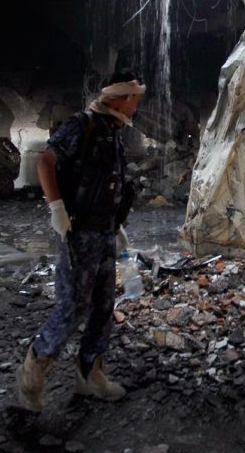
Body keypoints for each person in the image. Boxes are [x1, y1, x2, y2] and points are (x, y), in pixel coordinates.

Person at [16, 70, 145, 413]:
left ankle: (91, 376)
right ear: (120, 97)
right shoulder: (82, 125)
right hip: (78, 231)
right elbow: (46, 161)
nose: (137, 105)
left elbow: (108, 182)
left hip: (103, 232)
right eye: (135, 98)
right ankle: (32, 375)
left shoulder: (112, 130)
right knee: (73, 306)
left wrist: (116, 225)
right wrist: (56, 206)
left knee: (104, 307)